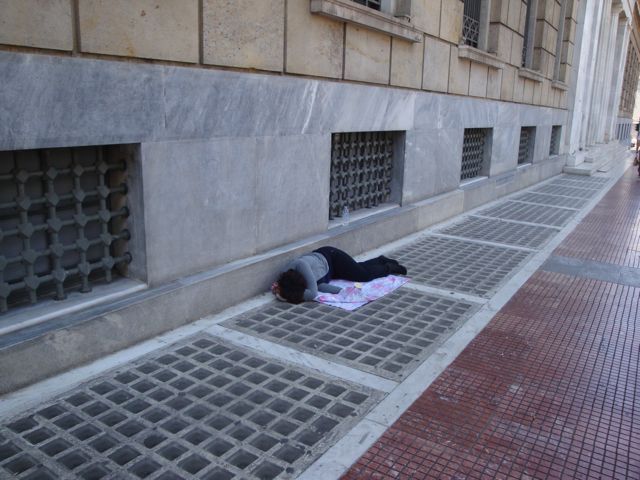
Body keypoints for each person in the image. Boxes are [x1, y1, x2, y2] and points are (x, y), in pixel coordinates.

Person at [272, 246, 407, 304]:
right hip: (331, 272)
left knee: (363, 275)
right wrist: (345, 291)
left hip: (332, 257)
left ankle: (388, 267)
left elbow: (312, 292)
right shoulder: (303, 283)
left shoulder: (299, 266)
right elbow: (319, 287)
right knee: (358, 270)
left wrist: (282, 291)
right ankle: (381, 260)